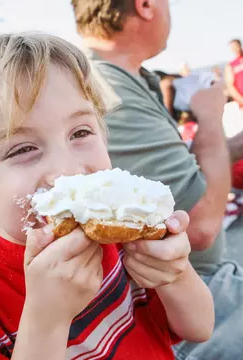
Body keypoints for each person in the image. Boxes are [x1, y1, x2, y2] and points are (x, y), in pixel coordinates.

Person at [0, 33, 214, 360]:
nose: (68, 169)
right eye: (23, 149)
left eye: (80, 132)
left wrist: (176, 274)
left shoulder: (121, 238)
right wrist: (47, 320)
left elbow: (198, 328)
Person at [71, 1, 242, 359]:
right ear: (145, 6)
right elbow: (200, 225)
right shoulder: (106, 88)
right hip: (177, 303)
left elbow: (187, 175)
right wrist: (209, 116)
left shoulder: (121, 77)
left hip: (196, 286)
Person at [225, 39, 243, 107]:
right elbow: (230, 86)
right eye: (232, 48)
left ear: (240, 45)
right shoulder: (231, 65)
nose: (234, 49)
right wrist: (241, 100)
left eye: (235, 46)